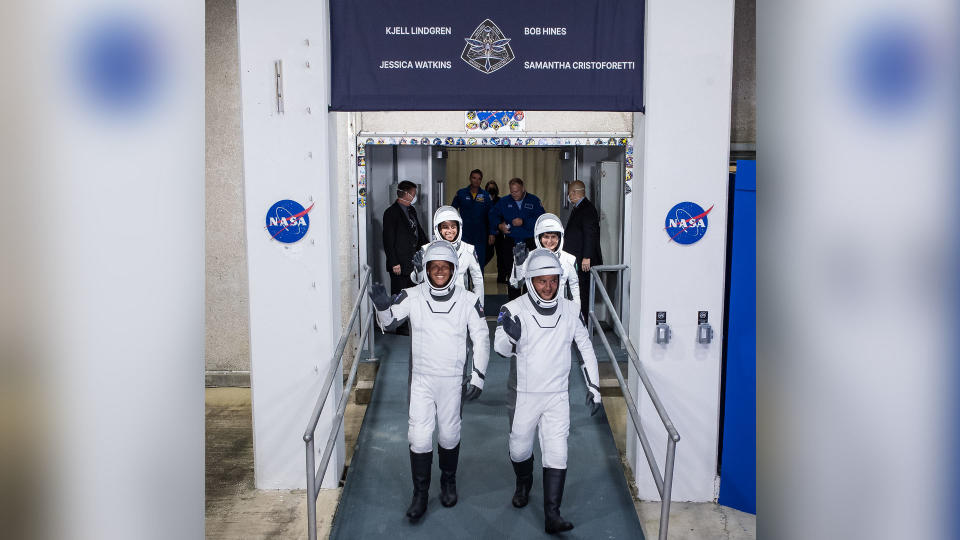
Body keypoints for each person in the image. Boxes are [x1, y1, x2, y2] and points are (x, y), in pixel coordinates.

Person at [369, 241, 490, 522]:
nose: (439, 272)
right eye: (434, 267)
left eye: (444, 268)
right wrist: (383, 307)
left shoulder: (468, 300)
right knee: (419, 437)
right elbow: (388, 324)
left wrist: (479, 375)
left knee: (449, 434)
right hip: (422, 380)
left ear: (453, 269)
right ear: (426, 269)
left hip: (452, 380)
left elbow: (482, 338)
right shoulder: (412, 295)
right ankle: (420, 493)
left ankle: (448, 482)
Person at [494, 249, 602, 534]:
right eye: (541, 281)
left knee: (557, 452)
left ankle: (552, 514)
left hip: (557, 395)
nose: (548, 287)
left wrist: (594, 386)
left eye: (553, 280)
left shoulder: (569, 309)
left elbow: (585, 347)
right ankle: (523, 481)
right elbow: (499, 350)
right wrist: (510, 338)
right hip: (524, 395)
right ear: (530, 280)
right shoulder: (513, 309)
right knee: (519, 449)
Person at [410, 206, 484, 304]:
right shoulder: (427, 249)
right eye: (445, 227)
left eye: (453, 227)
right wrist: (419, 271)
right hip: (434, 303)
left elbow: (477, 281)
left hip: (461, 302)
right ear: (438, 229)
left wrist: (479, 306)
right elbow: (417, 281)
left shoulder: (468, 249)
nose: (450, 231)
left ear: (459, 227)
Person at [382, 181, 429, 334]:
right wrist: (394, 262)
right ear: (406, 193)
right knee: (400, 294)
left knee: (413, 293)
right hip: (399, 262)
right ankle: (400, 326)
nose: (415, 196)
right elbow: (388, 240)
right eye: (413, 193)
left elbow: (418, 231)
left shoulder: (411, 210)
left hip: (412, 260)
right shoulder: (391, 213)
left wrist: (428, 247)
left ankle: (412, 323)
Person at [488, 178, 545, 299]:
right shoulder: (504, 201)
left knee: (529, 274)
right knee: (512, 274)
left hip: (529, 242)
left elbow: (541, 219)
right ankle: (514, 304)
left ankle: (528, 302)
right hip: (511, 243)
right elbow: (492, 215)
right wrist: (499, 226)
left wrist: (523, 222)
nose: (514, 194)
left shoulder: (534, 201)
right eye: (512, 191)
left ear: (523, 189)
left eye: (517, 191)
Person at [509, 213, 580, 308]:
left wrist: (577, 313)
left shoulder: (569, 259)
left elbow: (574, 289)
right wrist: (518, 265)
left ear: (559, 238)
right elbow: (516, 284)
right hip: (533, 309)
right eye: (546, 237)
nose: (550, 241)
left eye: (553, 237)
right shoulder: (527, 257)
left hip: (560, 310)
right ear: (539, 238)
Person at [563, 181, 603, 317]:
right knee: (578, 293)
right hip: (577, 258)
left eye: (569, 192)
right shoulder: (578, 207)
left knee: (583, 294)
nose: (568, 195)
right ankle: (579, 322)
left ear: (574, 192)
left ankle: (584, 324)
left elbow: (589, 234)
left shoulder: (587, 209)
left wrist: (587, 257)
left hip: (583, 260)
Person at [451, 169, 493, 269]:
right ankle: (464, 285)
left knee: (478, 264)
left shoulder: (486, 196)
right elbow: (452, 211)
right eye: (474, 178)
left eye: (479, 179)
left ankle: (478, 285)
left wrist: (492, 233)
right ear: (470, 178)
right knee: (463, 264)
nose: (476, 181)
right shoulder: (461, 193)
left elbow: (492, 216)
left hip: (480, 235)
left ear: (481, 180)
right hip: (464, 234)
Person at [485, 180, 513, 283]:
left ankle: (501, 278)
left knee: (502, 256)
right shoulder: (484, 200)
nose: (491, 189)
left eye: (493, 187)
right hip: (487, 232)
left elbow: (504, 215)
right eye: (489, 187)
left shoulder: (501, 201)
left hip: (500, 233)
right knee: (487, 254)